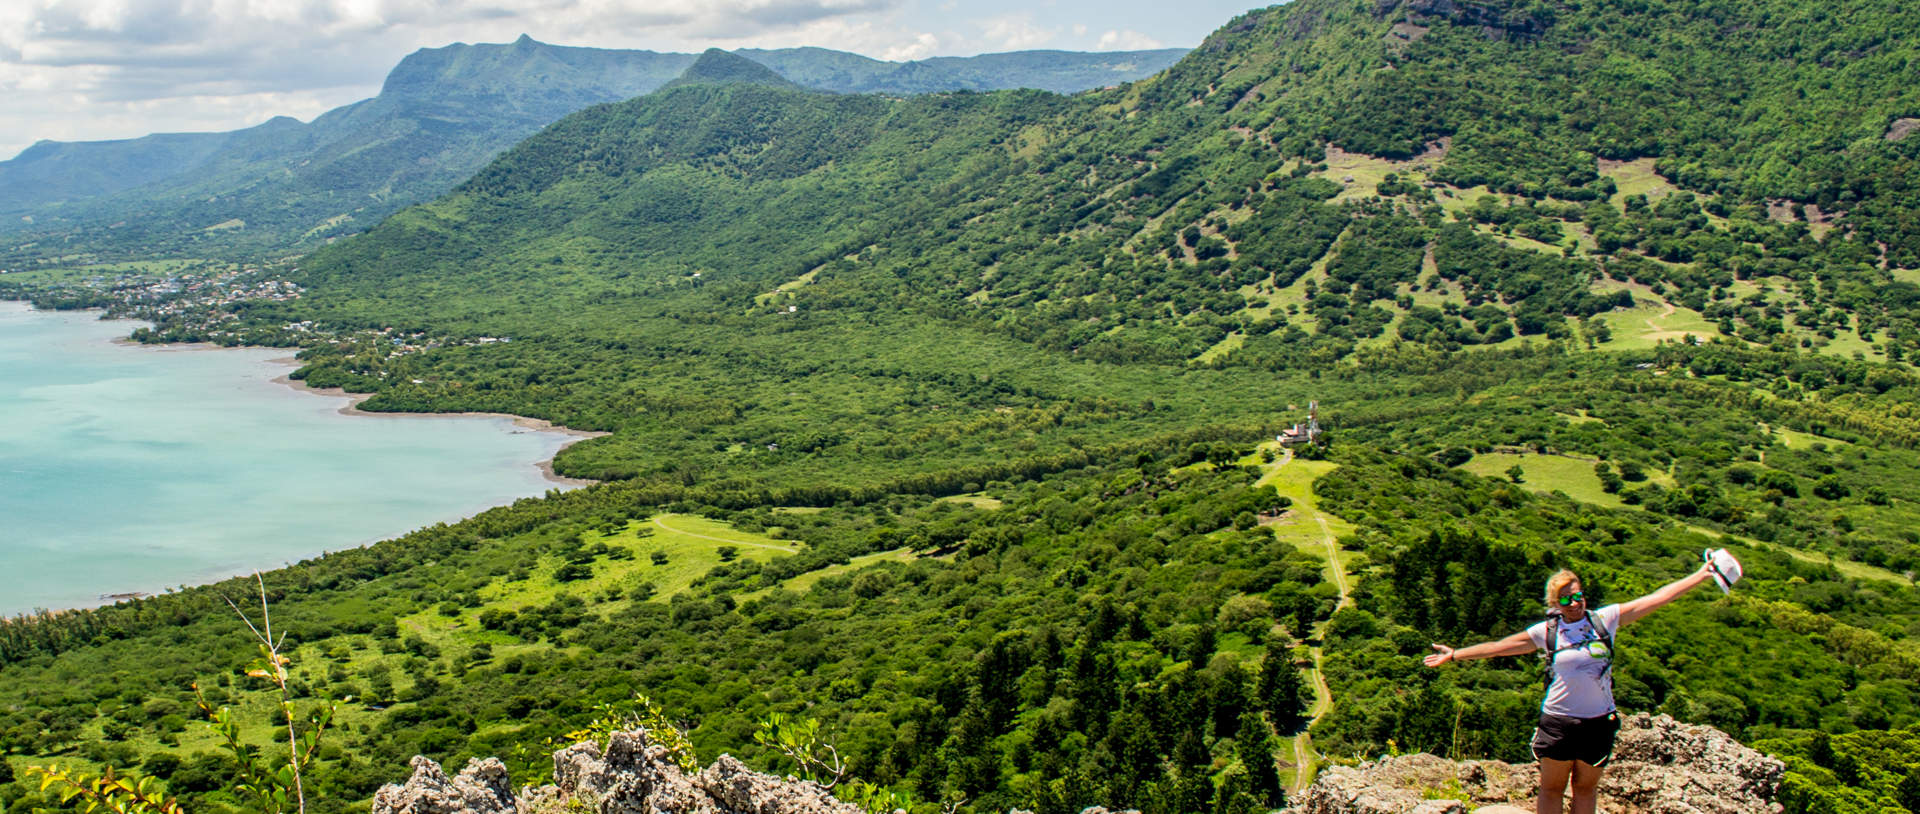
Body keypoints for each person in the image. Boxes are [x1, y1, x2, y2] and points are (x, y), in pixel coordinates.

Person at [1420, 563, 1716, 814]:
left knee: (1585, 789)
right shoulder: (1546, 632)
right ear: (1554, 604)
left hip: (1598, 721)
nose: (1574, 603)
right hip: (1559, 721)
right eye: (1565, 599)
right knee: (1552, 789)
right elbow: (1499, 648)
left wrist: (1702, 574)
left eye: (1578, 595)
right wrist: (1456, 654)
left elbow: (1657, 599)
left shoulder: (1605, 620)